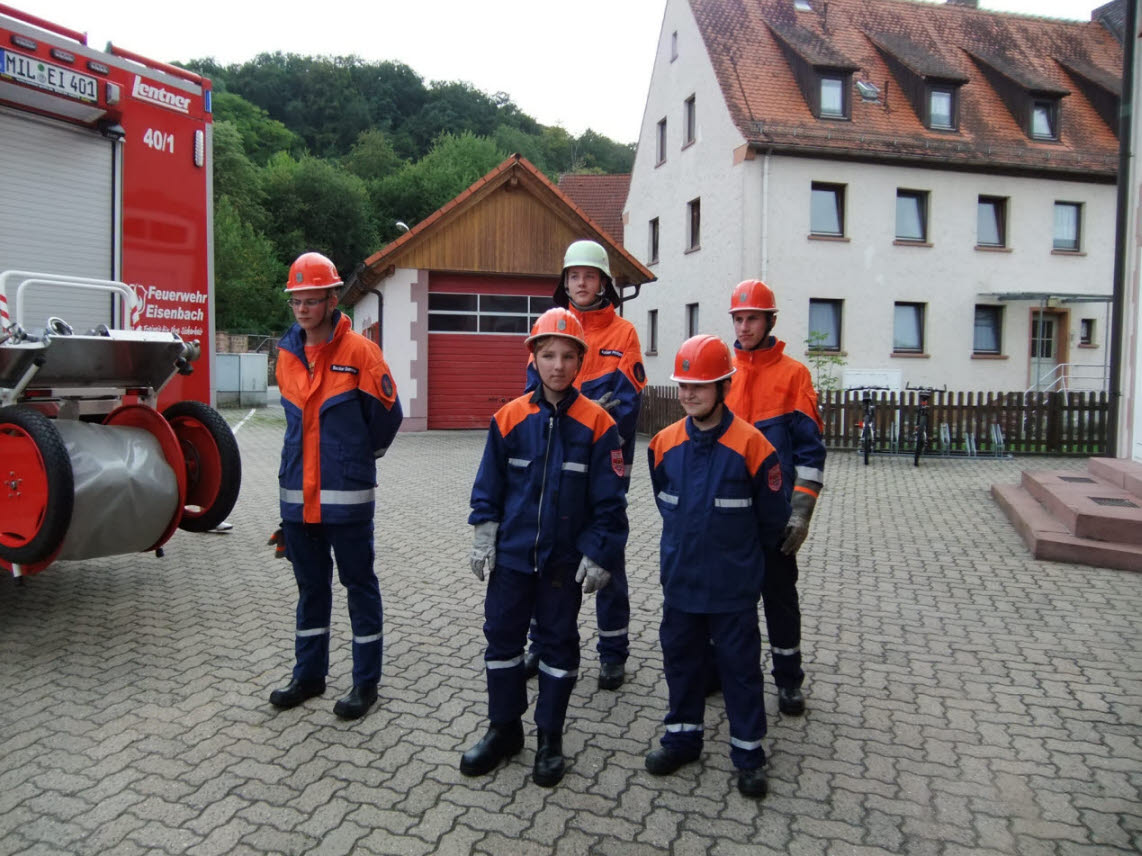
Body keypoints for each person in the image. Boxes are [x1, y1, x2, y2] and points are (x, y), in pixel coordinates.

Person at [463, 308, 629, 787]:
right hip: (513, 560)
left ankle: (550, 738)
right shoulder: (509, 418)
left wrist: (599, 552)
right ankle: (504, 729)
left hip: (563, 566)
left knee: (558, 647)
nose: (558, 365)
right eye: (548, 354)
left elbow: (610, 503)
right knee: (502, 642)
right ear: (533, 357)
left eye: (568, 356)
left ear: (581, 361)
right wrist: (484, 533)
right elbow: (488, 487)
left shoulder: (599, 425)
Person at [645, 334, 790, 799]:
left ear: (725, 386)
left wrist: (744, 569)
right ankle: (682, 739)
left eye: (700, 386)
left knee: (740, 671)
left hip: (732, 590)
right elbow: (665, 503)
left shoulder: (754, 446)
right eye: (684, 385)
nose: (689, 394)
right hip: (681, 584)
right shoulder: (663, 445)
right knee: (681, 663)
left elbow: (772, 522)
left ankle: (749, 755)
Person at [268, 251, 403, 721]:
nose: (303, 308)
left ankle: (365, 683)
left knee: (359, 586)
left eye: (312, 299)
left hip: (347, 500)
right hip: (297, 500)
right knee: (311, 590)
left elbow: (388, 418)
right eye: (296, 300)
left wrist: (356, 459)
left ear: (331, 300)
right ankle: (309, 676)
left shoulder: (360, 353)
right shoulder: (286, 355)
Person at [523, 239, 646, 691]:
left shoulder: (623, 334)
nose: (581, 283)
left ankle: (613, 652)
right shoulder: (551, 325)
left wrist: (580, 417)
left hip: (604, 466)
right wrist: (588, 412)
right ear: (565, 281)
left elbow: (627, 406)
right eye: (574, 275)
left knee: (606, 553)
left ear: (604, 283)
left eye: (589, 276)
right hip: (555, 463)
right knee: (548, 554)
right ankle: (542, 642)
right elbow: (533, 396)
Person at [724, 279, 826, 716]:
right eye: (738, 318)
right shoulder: (722, 372)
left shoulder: (793, 375)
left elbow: (810, 454)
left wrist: (800, 513)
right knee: (729, 603)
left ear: (770, 321)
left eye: (753, 318)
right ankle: (725, 673)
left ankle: (788, 680)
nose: (744, 327)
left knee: (780, 599)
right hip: (728, 515)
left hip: (775, 516)